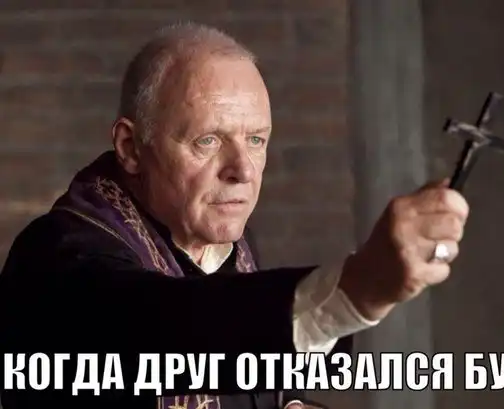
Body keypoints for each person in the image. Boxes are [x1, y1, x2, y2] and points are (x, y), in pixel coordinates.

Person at [0, 22, 469, 409]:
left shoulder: (220, 239)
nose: (242, 171)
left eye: (256, 140)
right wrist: (355, 288)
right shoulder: (58, 258)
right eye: (207, 141)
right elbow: (164, 333)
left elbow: (242, 363)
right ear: (131, 148)